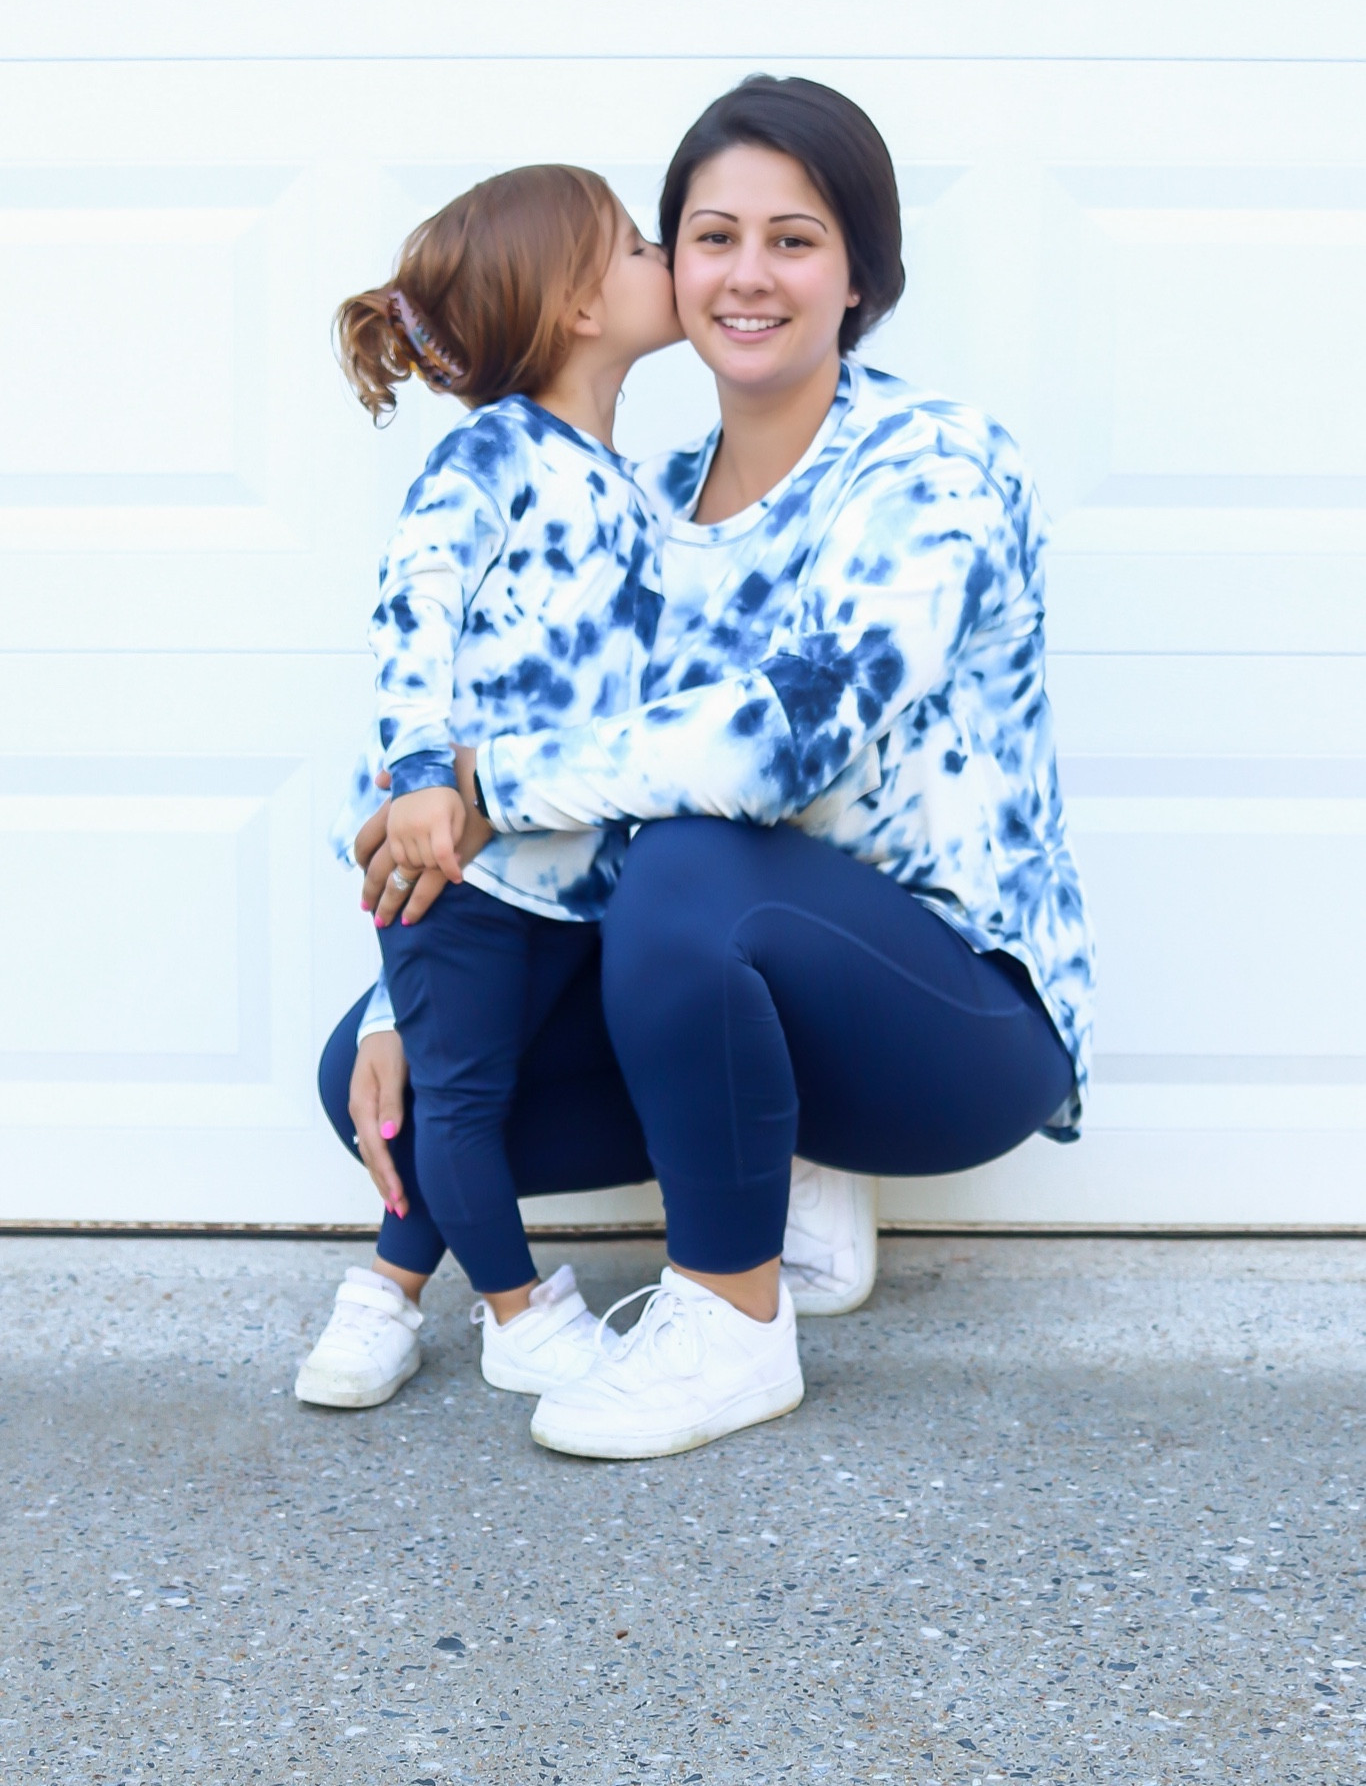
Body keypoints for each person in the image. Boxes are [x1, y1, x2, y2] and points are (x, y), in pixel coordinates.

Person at [348, 75, 1097, 1461]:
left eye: (793, 239)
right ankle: (782, 1171)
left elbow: (781, 745)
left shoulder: (931, 468)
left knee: (693, 863)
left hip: (954, 1018)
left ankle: (731, 1320)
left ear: (860, 275)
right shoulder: (639, 503)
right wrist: (412, 954)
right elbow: (578, 767)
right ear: (667, 262)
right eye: (708, 235)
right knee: (404, 1062)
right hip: (729, 960)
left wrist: (480, 780)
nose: (745, 274)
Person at [294, 165, 680, 1411]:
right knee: (459, 1096)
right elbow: (414, 610)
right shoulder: (494, 456)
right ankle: (519, 1318)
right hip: (468, 864)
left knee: (486, 1096)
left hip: (575, 876)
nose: (664, 254)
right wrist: (417, 776)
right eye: (635, 246)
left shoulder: (630, 482)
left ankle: (385, 1289)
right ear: (575, 306)